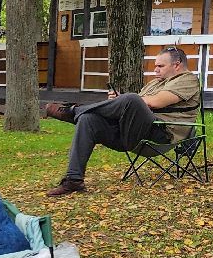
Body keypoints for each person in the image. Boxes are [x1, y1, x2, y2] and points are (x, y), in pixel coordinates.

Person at [43, 47, 203, 196]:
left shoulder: (188, 80)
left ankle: (74, 111)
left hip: (161, 136)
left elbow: (155, 102)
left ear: (177, 65)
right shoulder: (156, 82)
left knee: (132, 99)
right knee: (88, 119)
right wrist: (120, 101)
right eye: (155, 66)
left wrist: (126, 100)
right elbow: (141, 103)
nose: (155, 70)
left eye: (160, 66)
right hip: (134, 134)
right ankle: (73, 180)